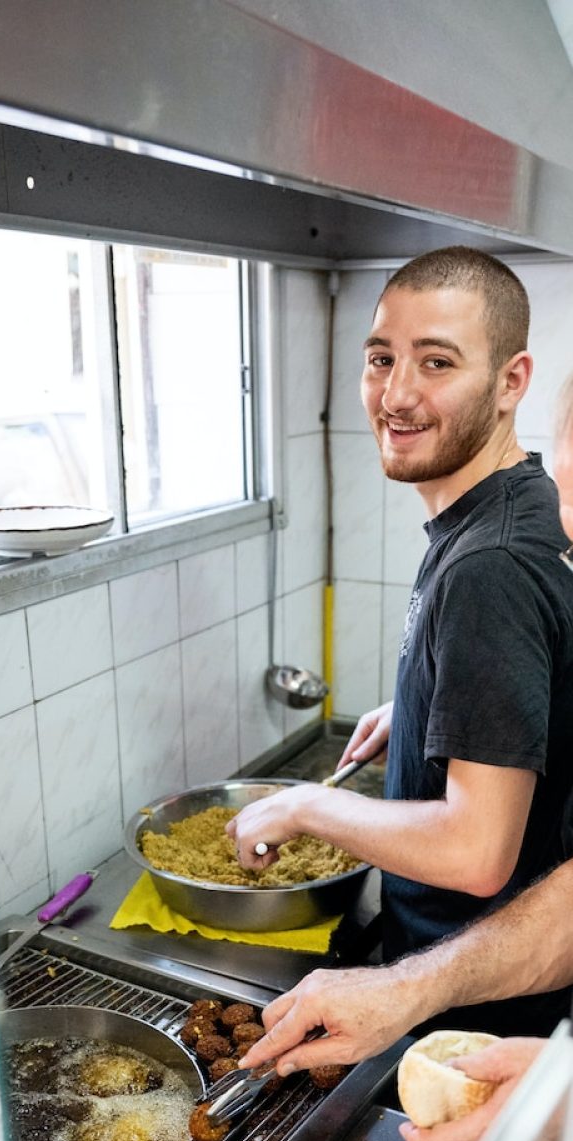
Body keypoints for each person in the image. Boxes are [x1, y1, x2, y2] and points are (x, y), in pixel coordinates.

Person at [229, 247, 573, 1037]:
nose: (397, 393)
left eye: (437, 362)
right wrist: (428, 702)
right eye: (381, 358)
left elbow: (476, 851)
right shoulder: (520, 504)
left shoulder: (489, 564)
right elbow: (539, 676)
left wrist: (310, 804)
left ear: (511, 382)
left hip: (479, 1013)